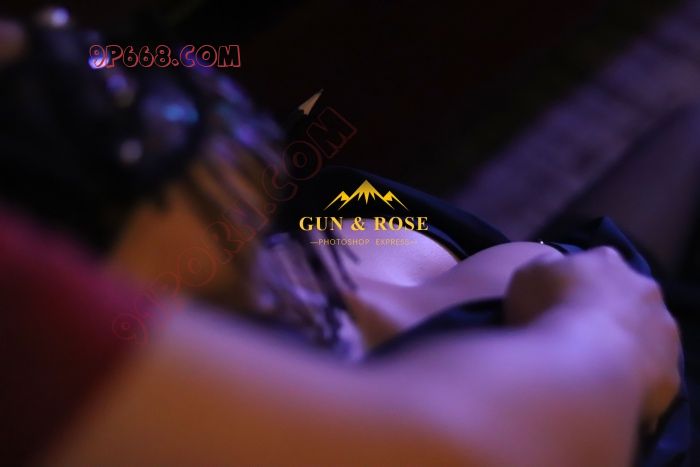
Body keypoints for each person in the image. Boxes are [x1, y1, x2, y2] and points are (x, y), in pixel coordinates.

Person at [0, 12, 688, 466]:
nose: (166, 84)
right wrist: (607, 327)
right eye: (116, 114)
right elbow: (481, 450)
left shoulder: (303, 242)